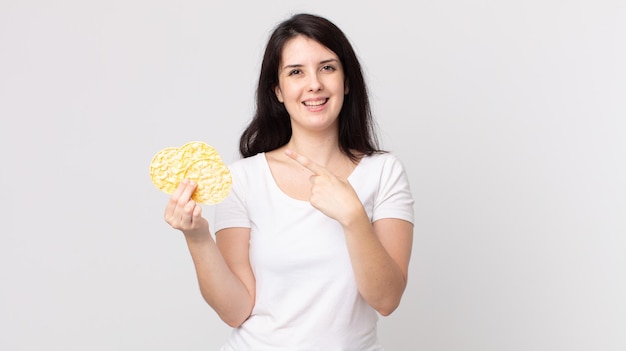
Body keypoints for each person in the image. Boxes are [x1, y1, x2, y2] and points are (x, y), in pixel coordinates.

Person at [164, 13, 414, 351]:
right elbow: (236, 310)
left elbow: (386, 300)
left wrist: (354, 217)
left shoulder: (384, 172)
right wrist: (197, 237)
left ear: (347, 81)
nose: (314, 84)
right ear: (278, 91)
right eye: (296, 72)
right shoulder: (244, 179)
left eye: (327, 67)